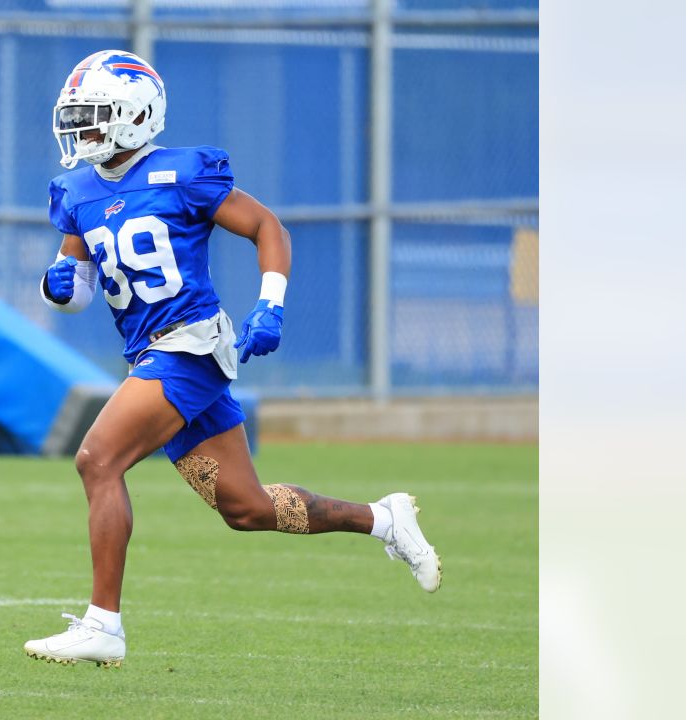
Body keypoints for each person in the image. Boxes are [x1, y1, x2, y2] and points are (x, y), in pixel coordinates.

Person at [23, 50, 440, 668]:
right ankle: (384, 519)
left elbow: (268, 227)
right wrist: (56, 286)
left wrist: (270, 304)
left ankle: (103, 624)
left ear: (134, 115)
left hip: (188, 344)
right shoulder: (76, 189)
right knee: (246, 509)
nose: (81, 132)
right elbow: (77, 283)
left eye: (92, 117)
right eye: (76, 119)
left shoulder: (183, 171)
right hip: (151, 351)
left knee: (96, 459)